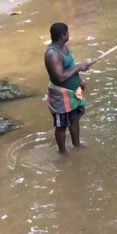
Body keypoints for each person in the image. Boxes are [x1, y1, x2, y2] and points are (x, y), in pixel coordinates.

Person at [45, 22, 92, 153]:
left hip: (72, 91)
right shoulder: (52, 54)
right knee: (62, 125)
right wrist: (78, 67)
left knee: (75, 119)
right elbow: (60, 77)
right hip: (61, 95)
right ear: (62, 35)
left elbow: (69, 67)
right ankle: (62, 152)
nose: (68, 34)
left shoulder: (64, 47)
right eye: (67, 32)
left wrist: (80, 80)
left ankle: (77, 145)